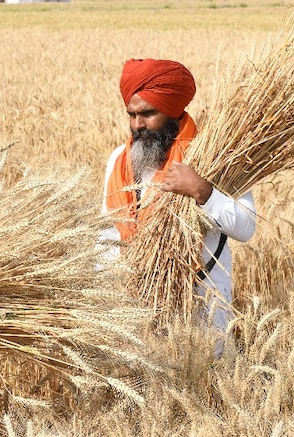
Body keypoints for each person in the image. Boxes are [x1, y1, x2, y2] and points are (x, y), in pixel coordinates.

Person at [98, 58, 257, 356]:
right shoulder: (120, 160)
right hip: (135, 306)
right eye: (131, 115)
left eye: (147, 114)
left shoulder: (218, 157)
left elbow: (246, 228)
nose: (137, 125)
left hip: (202, 304)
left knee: (207, 384)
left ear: (172, 111)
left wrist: (202, 191)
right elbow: (106, 233)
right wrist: (106, 299)